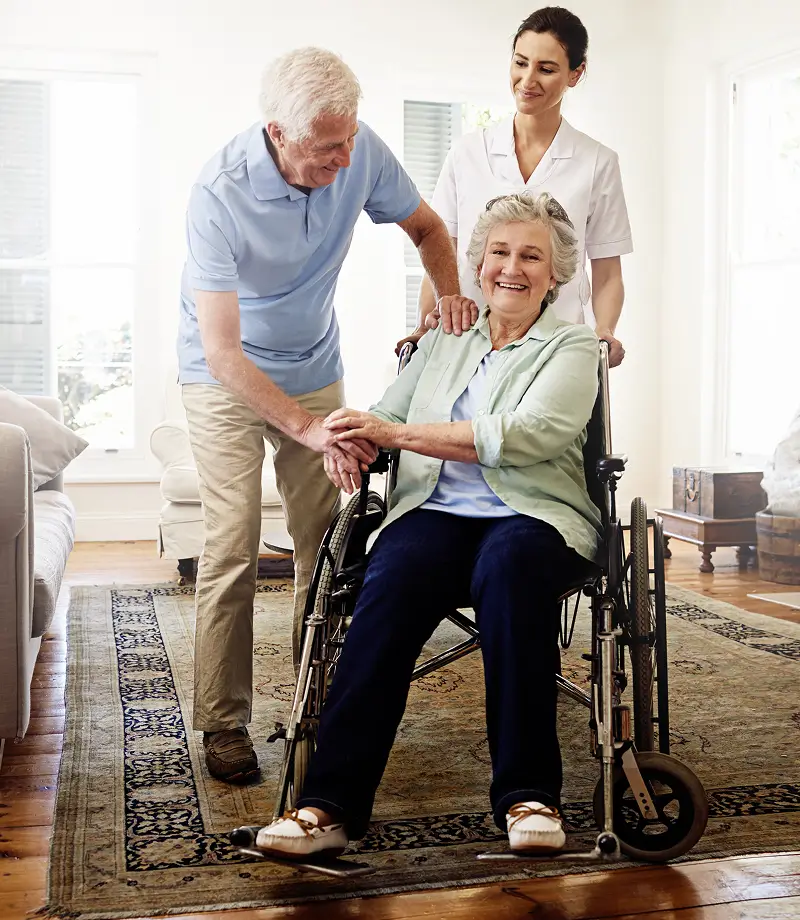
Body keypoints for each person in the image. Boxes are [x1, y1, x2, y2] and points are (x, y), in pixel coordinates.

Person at [255, 191, 602, 858]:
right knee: (390, 580)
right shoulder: (444, 339)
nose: (512, 268)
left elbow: (529, 434)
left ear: (555, 273)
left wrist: (396, 433)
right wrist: (353, 440)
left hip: (534, 515)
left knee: (510, 568)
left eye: (531, 256)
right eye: (499, 252)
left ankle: (529, 795)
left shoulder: (572, 345)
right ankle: (328, 806)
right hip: (434, 510)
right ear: (479, 263)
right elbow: (387, 414)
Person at [178, 47, 466, 784]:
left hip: (312, 366)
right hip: (224, 376)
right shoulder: (219, 191)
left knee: (326, 539)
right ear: (277, 133)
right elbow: (222, 352)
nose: (345, 158)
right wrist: (308, 429)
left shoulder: (358, 148)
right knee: (233, 541)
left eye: (350, 139)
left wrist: (450, 306)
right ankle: (223, 720)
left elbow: (429, 229)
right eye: (327, 147)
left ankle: (320, 698)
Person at [415, 6, 632, 367]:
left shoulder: (597, 162)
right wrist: (422, 326)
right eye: (520, 63)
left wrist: (604, 331)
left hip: (557, 351)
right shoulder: (467, 153)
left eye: (546, 69)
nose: (528, 80)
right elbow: (441, 250)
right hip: (468, 344)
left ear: (575, 74)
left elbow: (608, 272)